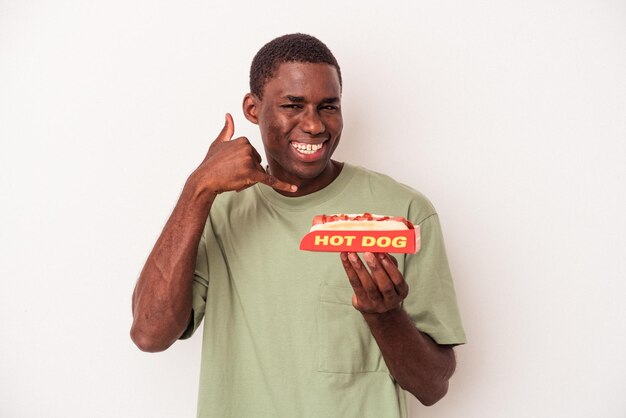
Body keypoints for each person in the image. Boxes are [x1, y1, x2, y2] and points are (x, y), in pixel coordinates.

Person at [131, 33, 466, 418]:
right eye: (293, 105)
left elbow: (433, 387)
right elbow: (149, 334)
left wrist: (384, 315)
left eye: (328, 107)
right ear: (253, 109)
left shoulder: (405, 211)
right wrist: (198, 188)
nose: (314, 125)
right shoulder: (219, 209)